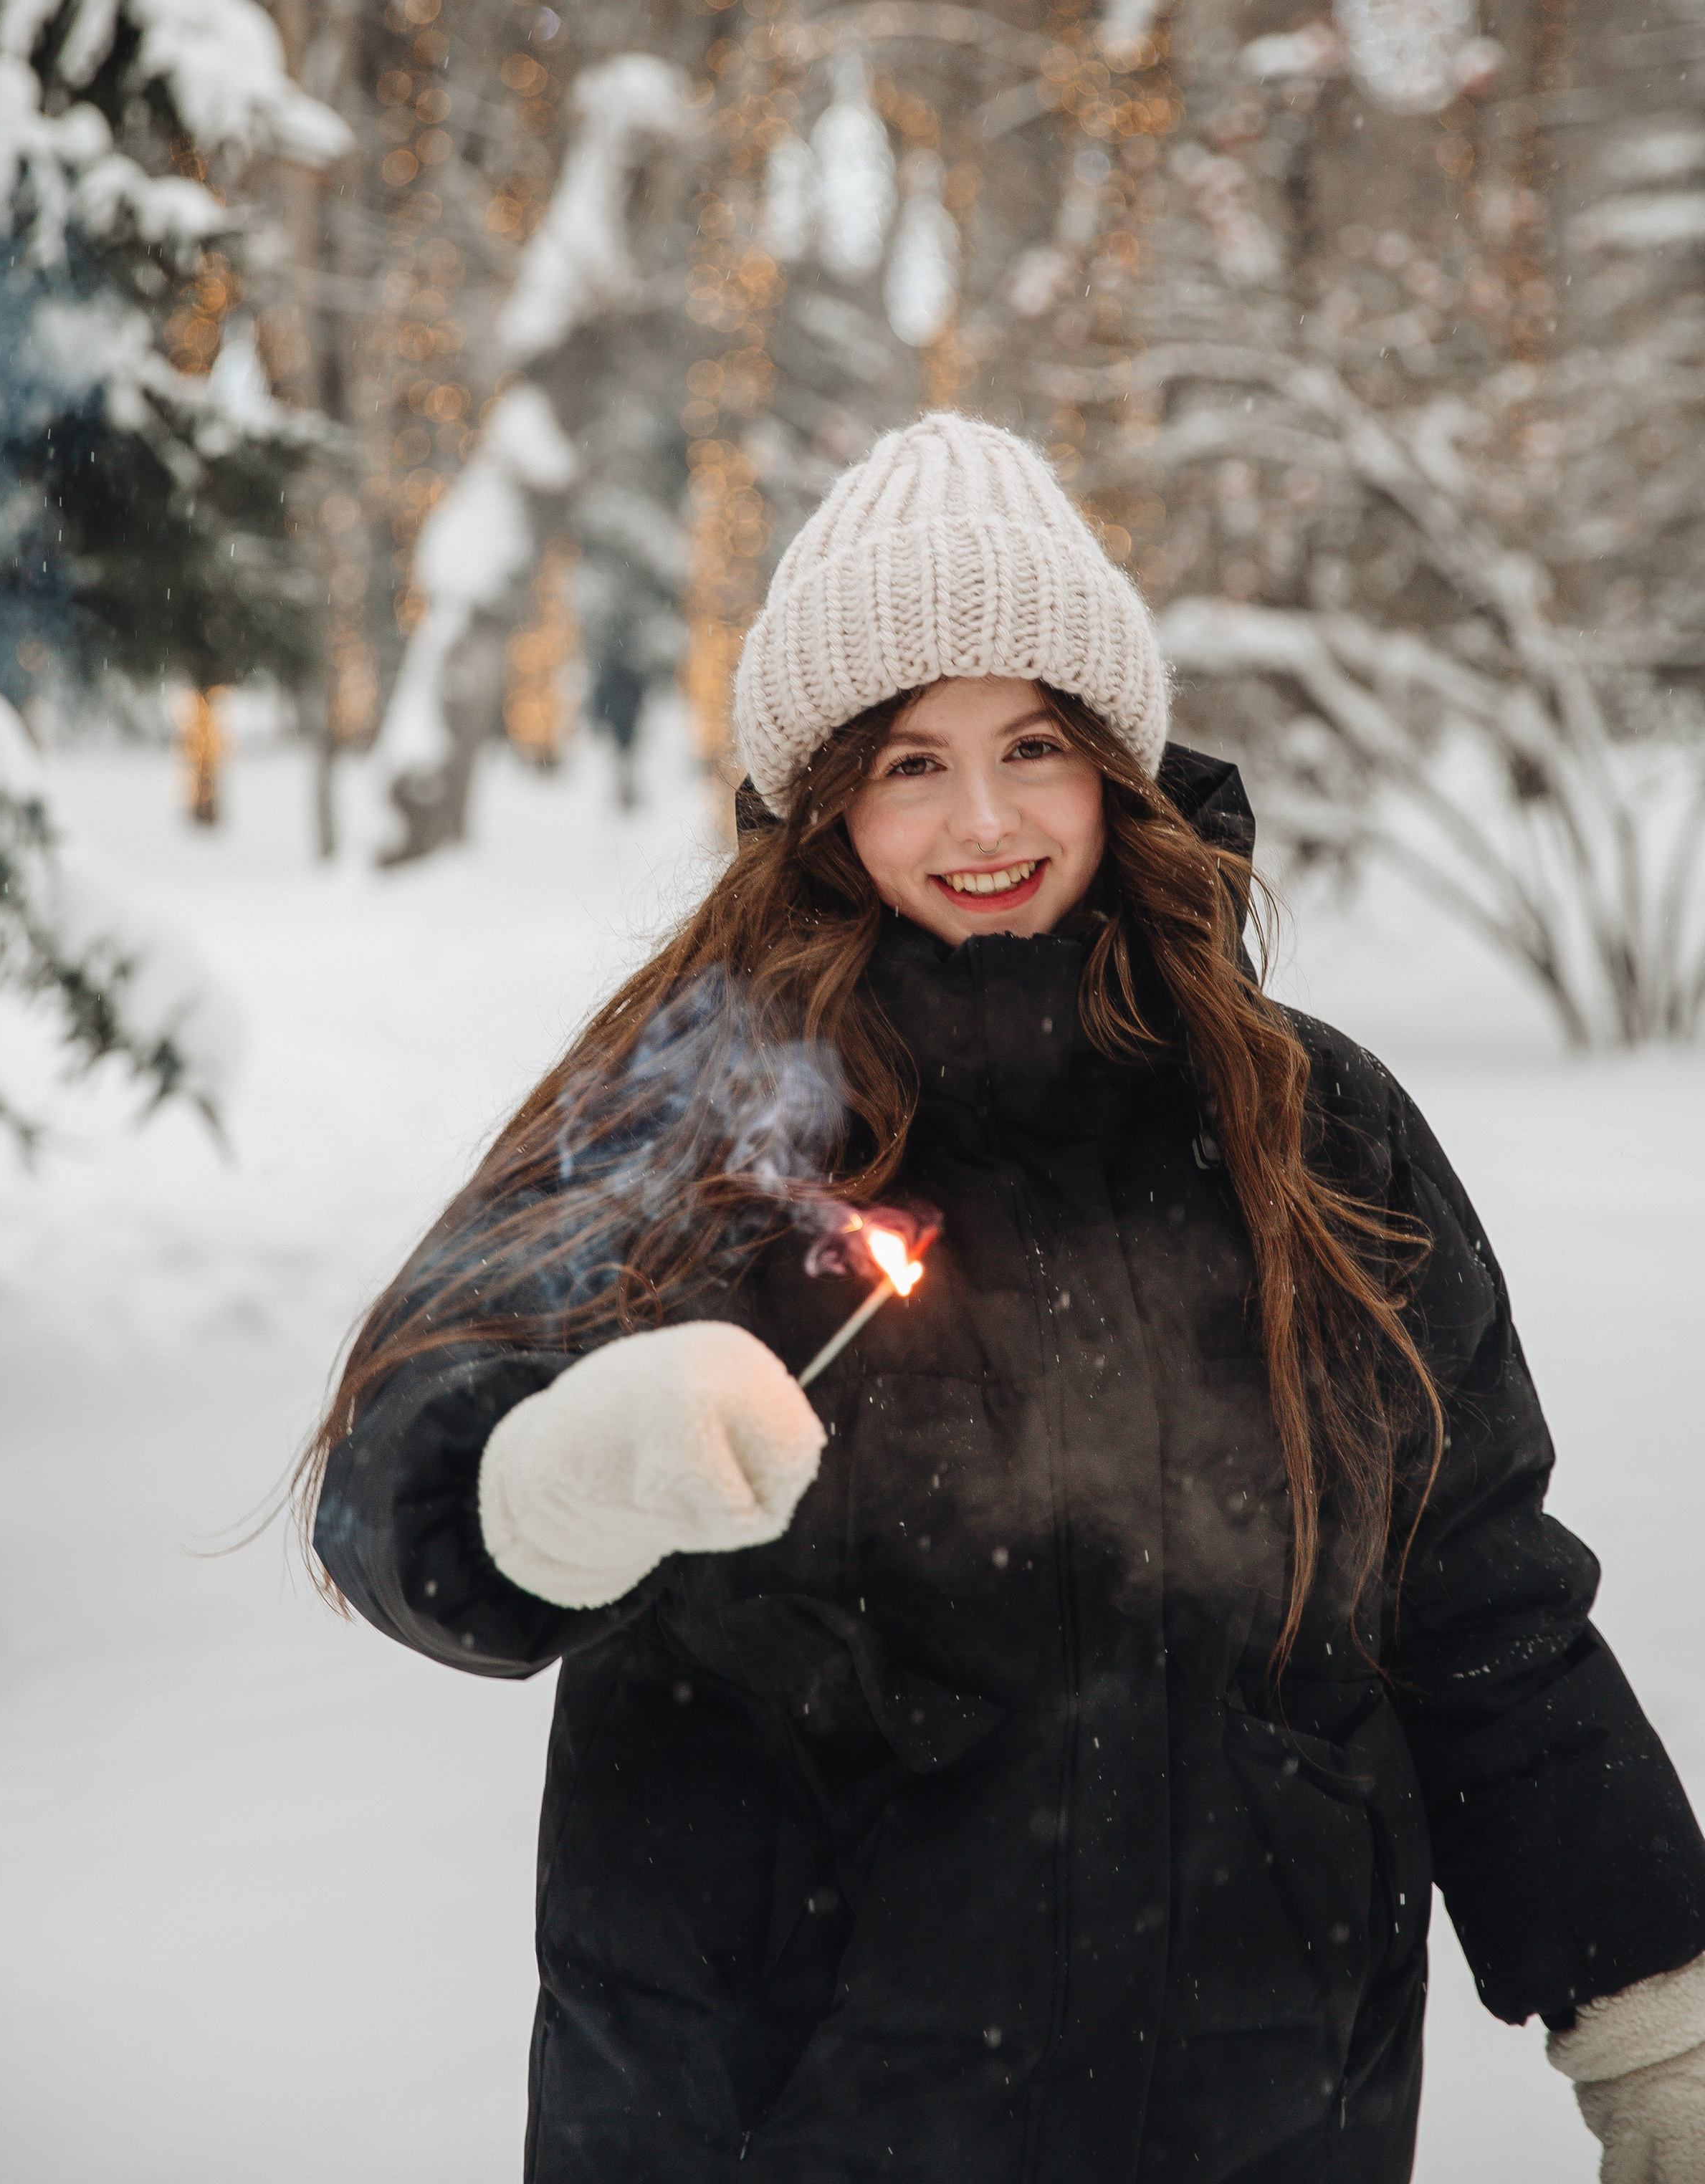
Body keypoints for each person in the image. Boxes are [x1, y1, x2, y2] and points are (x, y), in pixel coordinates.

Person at [307, 414, 1705, 2183]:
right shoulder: (702, 1111)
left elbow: (1476, 1591)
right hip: (776, 2121)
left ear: (1113, 765)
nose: (983, 822)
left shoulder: (1309, 1126)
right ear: (824, 803)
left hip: (1265, 2112)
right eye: (911, 762)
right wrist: (561, 1478)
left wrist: (1654, 2019)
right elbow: (399, 1478)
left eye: (1031, 746)